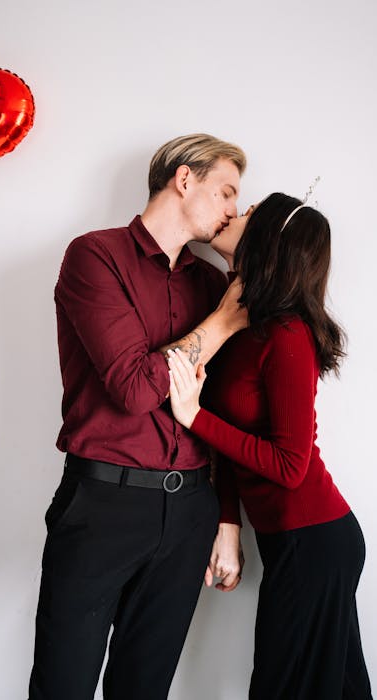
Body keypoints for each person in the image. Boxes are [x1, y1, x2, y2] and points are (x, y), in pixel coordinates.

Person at [27, 133, 248, 700]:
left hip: (192, 509)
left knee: (144, 689)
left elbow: (220, 411)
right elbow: (131, 387)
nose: (231, 209)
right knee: (63, 685)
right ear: (183, 179)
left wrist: (225, 519)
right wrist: (221, 326)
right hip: (104, 505)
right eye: (225, 192)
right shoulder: (94, 255)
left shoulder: (211, 284)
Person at [168, 192, 373, 699]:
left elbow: (289, 465)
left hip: (316, 542)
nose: (238, 212)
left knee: (285, 688)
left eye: (252, 213)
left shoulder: (287, 335)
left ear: (269, 242)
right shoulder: (244, 325)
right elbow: (242, 445)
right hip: (293, 542)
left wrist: (193, 416)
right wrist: (229, 522)